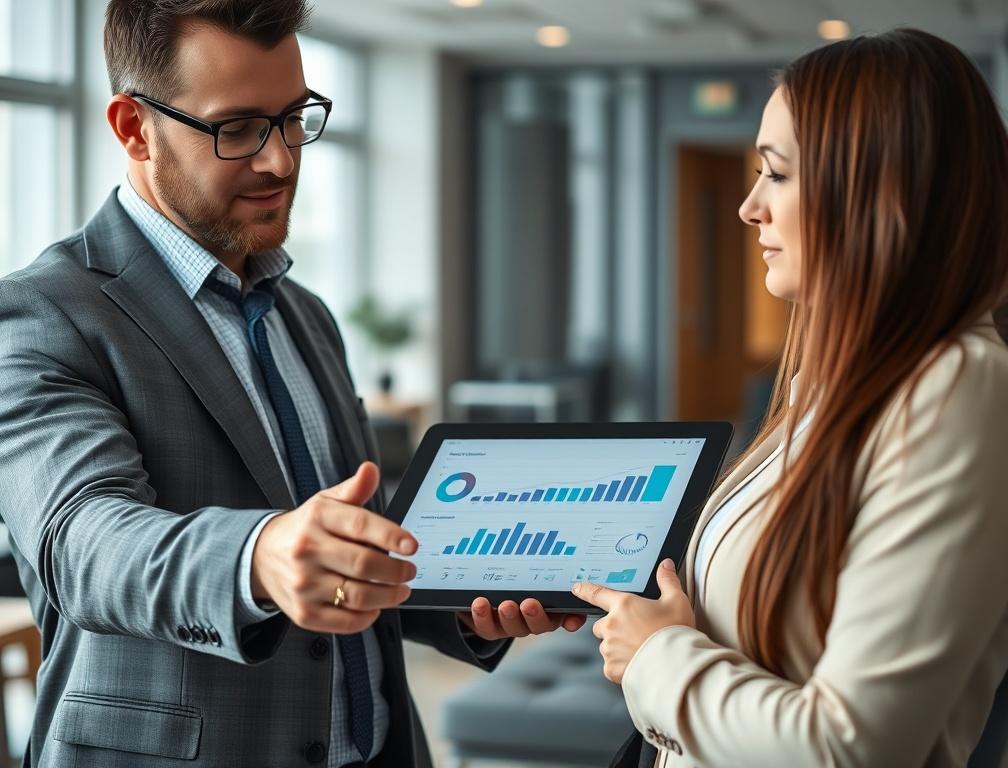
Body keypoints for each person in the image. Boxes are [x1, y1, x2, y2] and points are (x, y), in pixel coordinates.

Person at [0, 1, 583, 766]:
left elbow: (345, 551)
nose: (280, 160)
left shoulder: (305, 315)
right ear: (133, 128)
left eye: (294, 117)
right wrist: (257, 557)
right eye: (237, 128)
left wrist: (466, 608)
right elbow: (86, 541)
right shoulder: (41, 313)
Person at [574, 28, 1008, 768]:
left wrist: (657, 655)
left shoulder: (958, 393)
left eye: (777, 176)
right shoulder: (845, 379)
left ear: (878, 190)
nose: (751, 208)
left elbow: (848, 746)